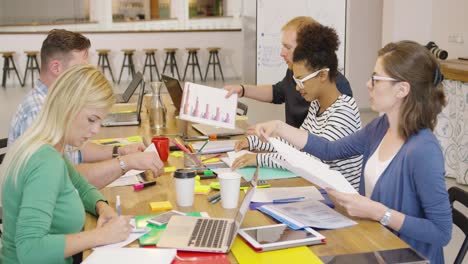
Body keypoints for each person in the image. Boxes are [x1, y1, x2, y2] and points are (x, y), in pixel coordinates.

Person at [250, 41, 452, 263]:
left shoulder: (423, 150)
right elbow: (329, 149)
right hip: (377, 244)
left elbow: (441, 233)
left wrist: (378, 212)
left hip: (407, 257)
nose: (367, 84)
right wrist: (279, 128)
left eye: (376, 79)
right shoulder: (381, 126)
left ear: (402, 89)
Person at [0, 65, 133, 264]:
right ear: (67, 106)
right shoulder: (46, 162)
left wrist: (102, 207)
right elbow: (30, 250)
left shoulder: (47, 146)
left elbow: (81, 186)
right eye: (91, 119)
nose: (96, 130)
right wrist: (102, 235)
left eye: (100, 122)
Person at [8, 29, 163, 189]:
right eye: (81, 68)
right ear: (56, 68)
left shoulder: (57, 102)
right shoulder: (38, 111)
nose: (86, 74)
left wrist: (119, 151)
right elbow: (65, 180)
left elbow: (75, 151)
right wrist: (125, 163)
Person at [232, 24, 362, 190]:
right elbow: (295, 144)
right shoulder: (316, 105)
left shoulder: (344, 111)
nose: (297, 87)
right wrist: (254, 142)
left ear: (323, 75)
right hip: (317, 188)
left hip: (338, 201)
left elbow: (308, 161)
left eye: (301, 80)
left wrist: (259, 159)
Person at [224, 16, 353, 128]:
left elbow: (323, 145)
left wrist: (278, 132)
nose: (282, 53)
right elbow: (277, 92)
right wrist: (243, 89)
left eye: (288, 47)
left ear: (308, 49)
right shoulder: (292, 72)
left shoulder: (338, 89)